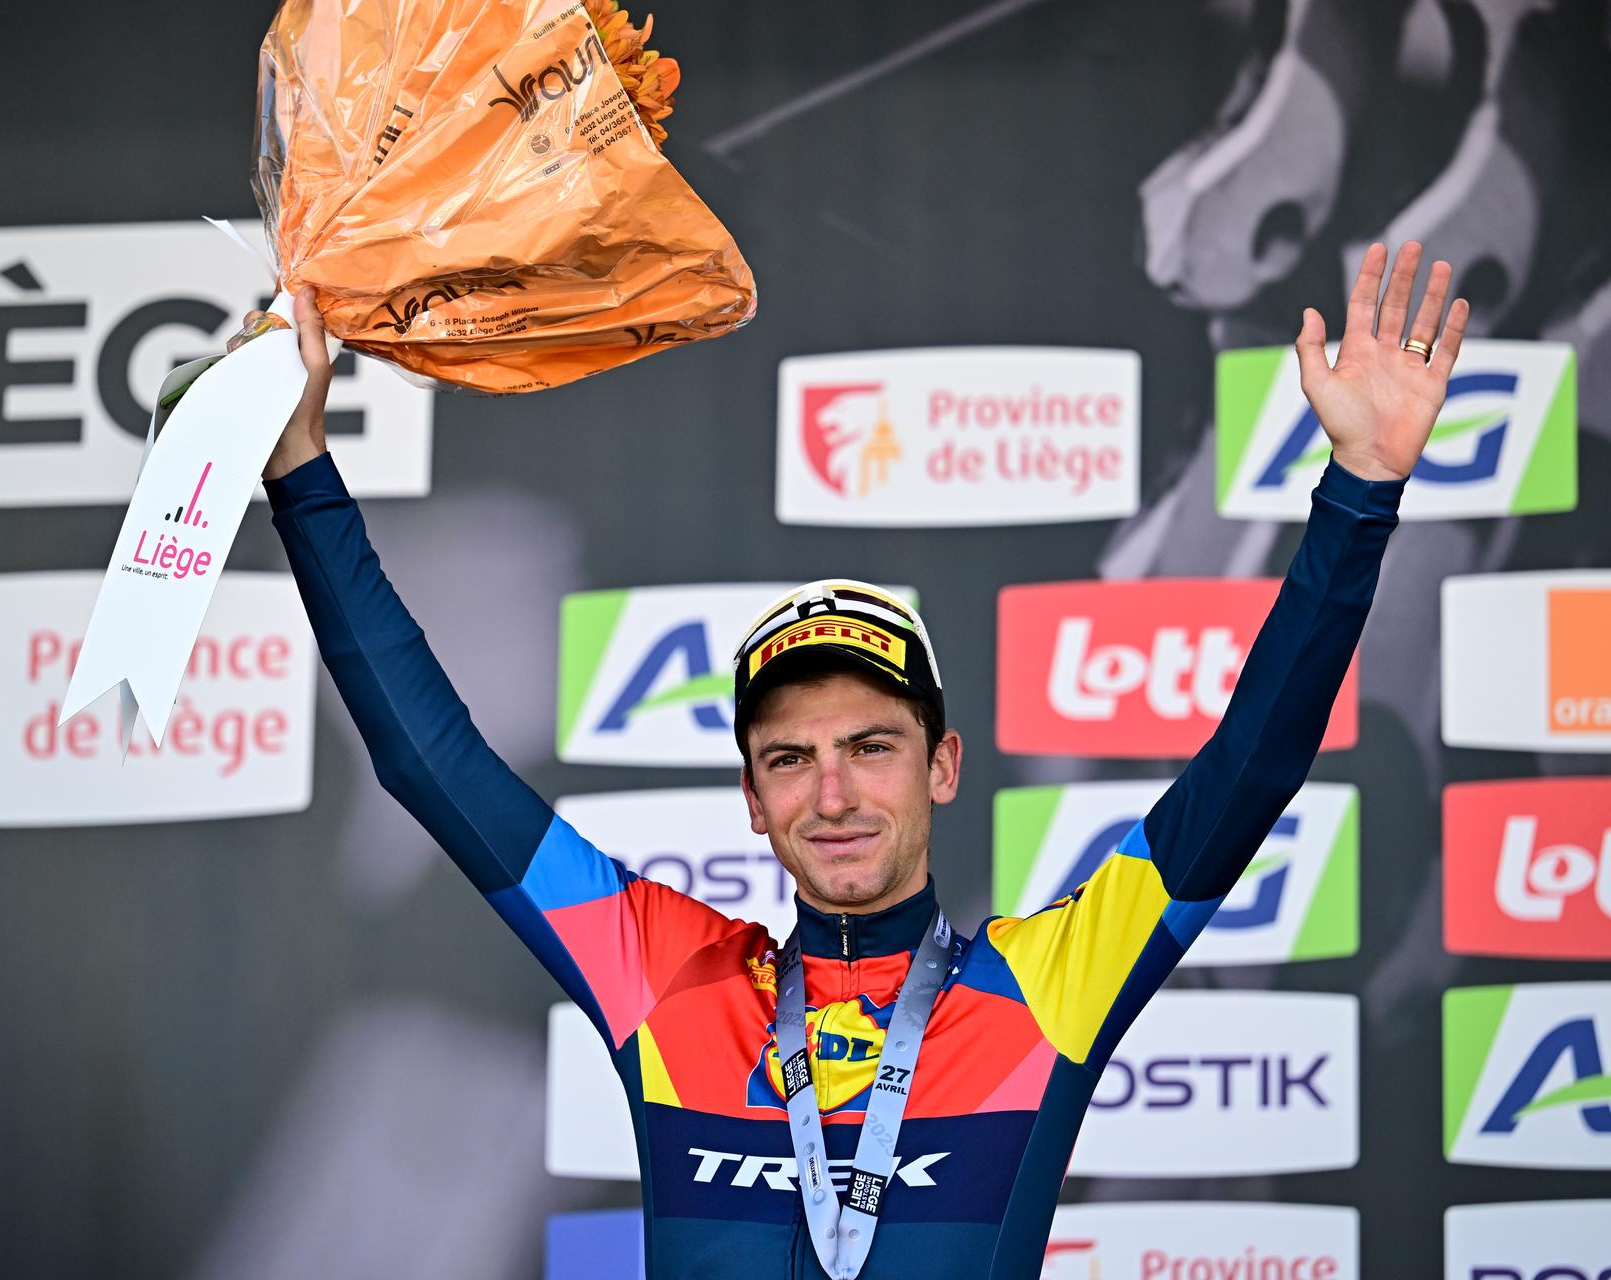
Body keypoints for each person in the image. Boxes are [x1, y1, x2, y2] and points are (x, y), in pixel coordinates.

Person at [244, 241, 1467, 1280]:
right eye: (791, 757)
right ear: (752, 798)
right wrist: (301, 469)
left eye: (871, 746)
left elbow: (1250, 768)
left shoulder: (1048, 982)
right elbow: (428, 761)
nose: (831, 790)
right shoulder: (672, 978)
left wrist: (1360, 487)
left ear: (944, 766)